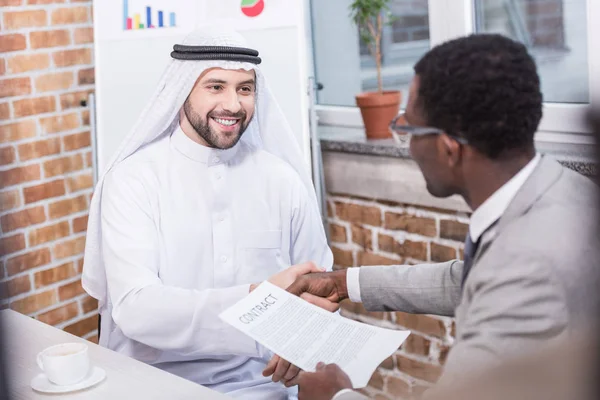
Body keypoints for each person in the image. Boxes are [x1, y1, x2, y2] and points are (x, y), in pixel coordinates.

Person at [276, 34, 599, 399]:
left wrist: (335, 395)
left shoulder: (527, 268)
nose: (408, 146)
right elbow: (467, 279)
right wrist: (344, 283)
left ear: (449, 149)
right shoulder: (560, 187)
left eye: (408, 130)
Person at [81, 28, 334, 399]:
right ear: (182, 89)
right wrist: (258, 297)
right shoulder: (133, 181)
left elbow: (319, 289)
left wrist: (307, 345)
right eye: (216, 87)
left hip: (263, 384)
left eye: (245, 89)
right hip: (152, 383)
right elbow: (137, 308)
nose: (233, 104)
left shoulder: (282, 181)